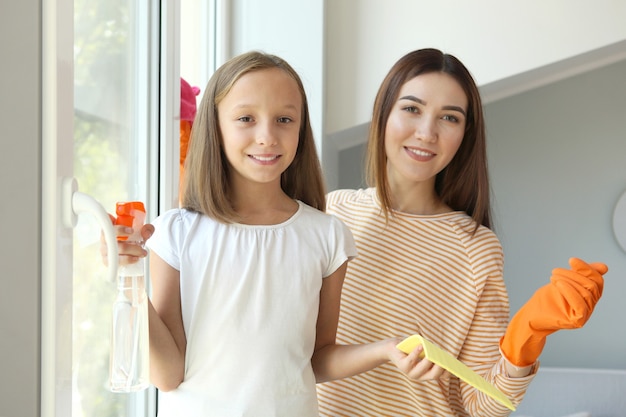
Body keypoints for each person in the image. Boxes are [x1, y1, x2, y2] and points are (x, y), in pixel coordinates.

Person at [315, 48, 608, 416]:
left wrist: (528, 332)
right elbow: (293, 354)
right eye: (411, 109)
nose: (427, 133)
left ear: (464, 134)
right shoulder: (331, 213)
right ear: (383, 113)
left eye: (449, 118)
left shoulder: (476, 248)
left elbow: (482, 405)